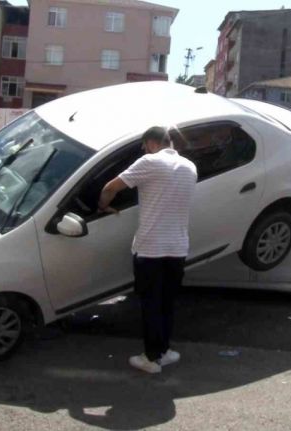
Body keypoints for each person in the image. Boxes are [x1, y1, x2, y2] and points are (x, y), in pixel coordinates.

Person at [98, 126, 197, 374]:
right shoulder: (189, 167)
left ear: (152, 142)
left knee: (150, 304)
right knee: (166, 303)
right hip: (178, 247)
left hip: (151, 248)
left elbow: (111, 188)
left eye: (144, 145)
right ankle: (164, 352)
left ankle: (151, 359)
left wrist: (103, 207)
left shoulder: (150, 162)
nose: (144, 149)